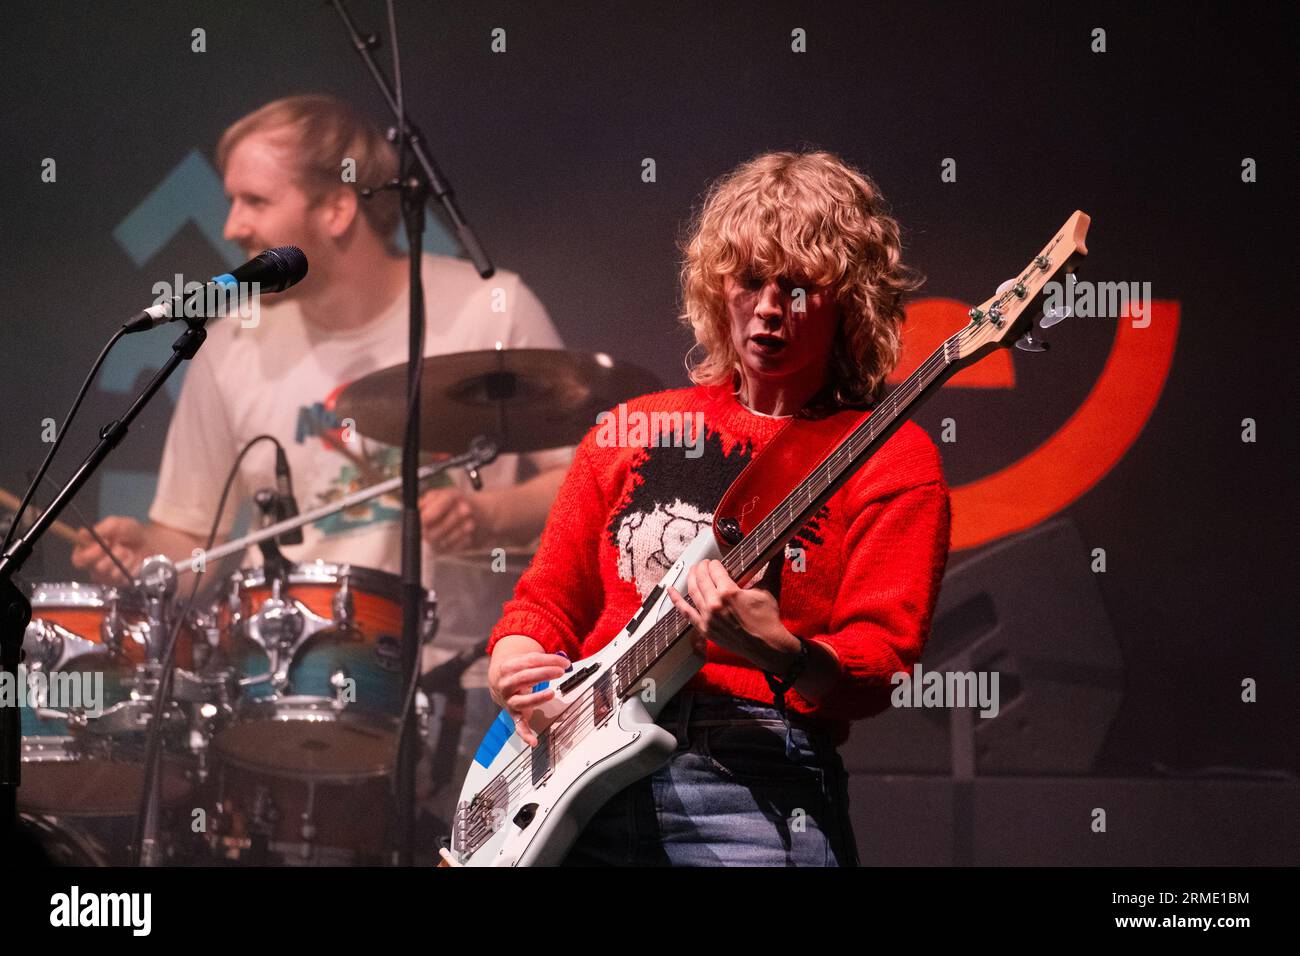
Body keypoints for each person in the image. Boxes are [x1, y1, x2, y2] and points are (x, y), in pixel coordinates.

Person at [483, 150, 951, 866]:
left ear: (848, 302)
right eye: (750, 280)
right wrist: (516, 664)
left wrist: (780, 651)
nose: (768, 308)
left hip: (752, 775)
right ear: (714, 286)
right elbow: (546, 602)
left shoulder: (890, 452)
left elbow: (877, 666)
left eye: (797, 288)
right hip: (578, 768)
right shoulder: (631, 429)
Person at [71, 94, 571, 584]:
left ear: (336, 208)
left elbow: (585, 477)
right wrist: (147, 554)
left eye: (256, 201)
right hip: (286, 657)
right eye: (231, 202)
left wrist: (488, 515)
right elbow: (191, 543)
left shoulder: (490, 309)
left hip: (466, 662)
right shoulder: (228, 346)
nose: (231, 227)